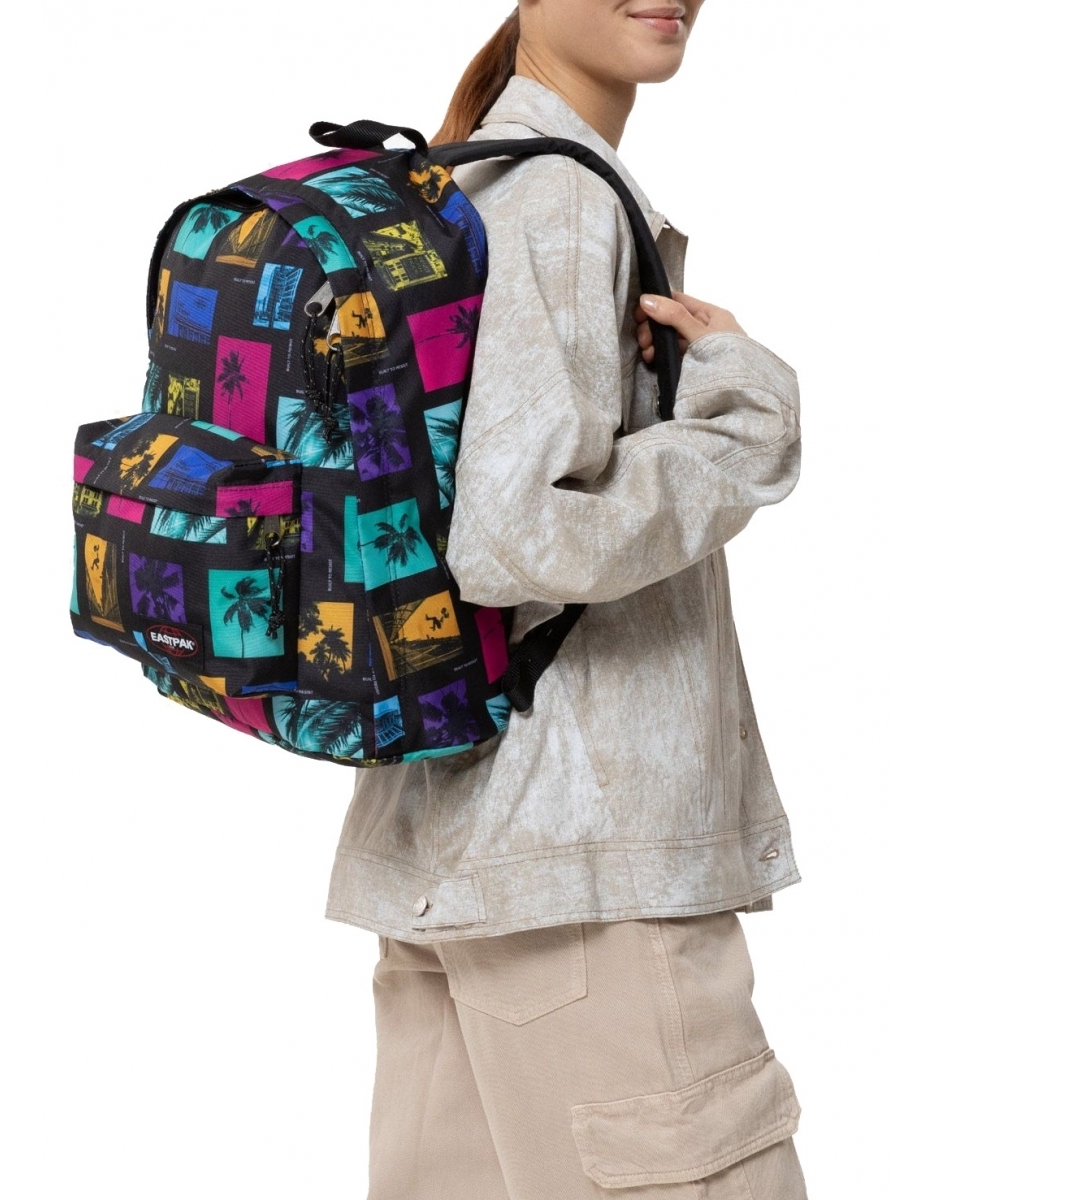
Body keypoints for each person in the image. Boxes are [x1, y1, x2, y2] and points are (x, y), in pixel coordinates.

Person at [322, 3, 808, 1195]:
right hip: (589, 874)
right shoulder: (558, 195)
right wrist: (743, 418)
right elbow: (516, 532)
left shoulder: (459, 183)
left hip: (460, 847)